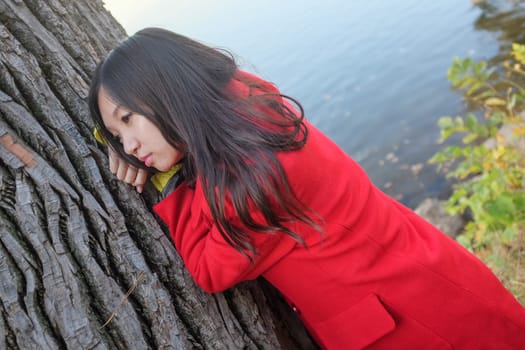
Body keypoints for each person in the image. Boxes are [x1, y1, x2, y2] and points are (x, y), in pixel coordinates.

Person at [88, 27, 525, 349]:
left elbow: (207, 269)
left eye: (128, 121)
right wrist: (120, 134)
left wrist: (167, 182)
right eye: (115, 135)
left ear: (169, 93)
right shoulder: (249, 101)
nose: (128, 146)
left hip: (418, 328)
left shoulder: (251, 185)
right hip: (430, 280)